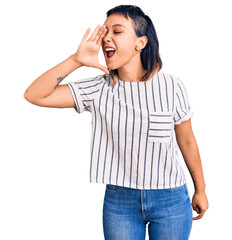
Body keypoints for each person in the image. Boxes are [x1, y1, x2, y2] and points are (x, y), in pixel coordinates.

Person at [24, 4, 208, 240]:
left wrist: (200, 189)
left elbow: (187, 141)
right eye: (105, 31)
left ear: (140, 43)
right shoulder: (97, 89)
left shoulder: (172, 86)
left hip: (171, 199)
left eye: (117, 31)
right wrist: (76, 60)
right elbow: (34, 95)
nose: (106, 38)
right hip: (120, 201)